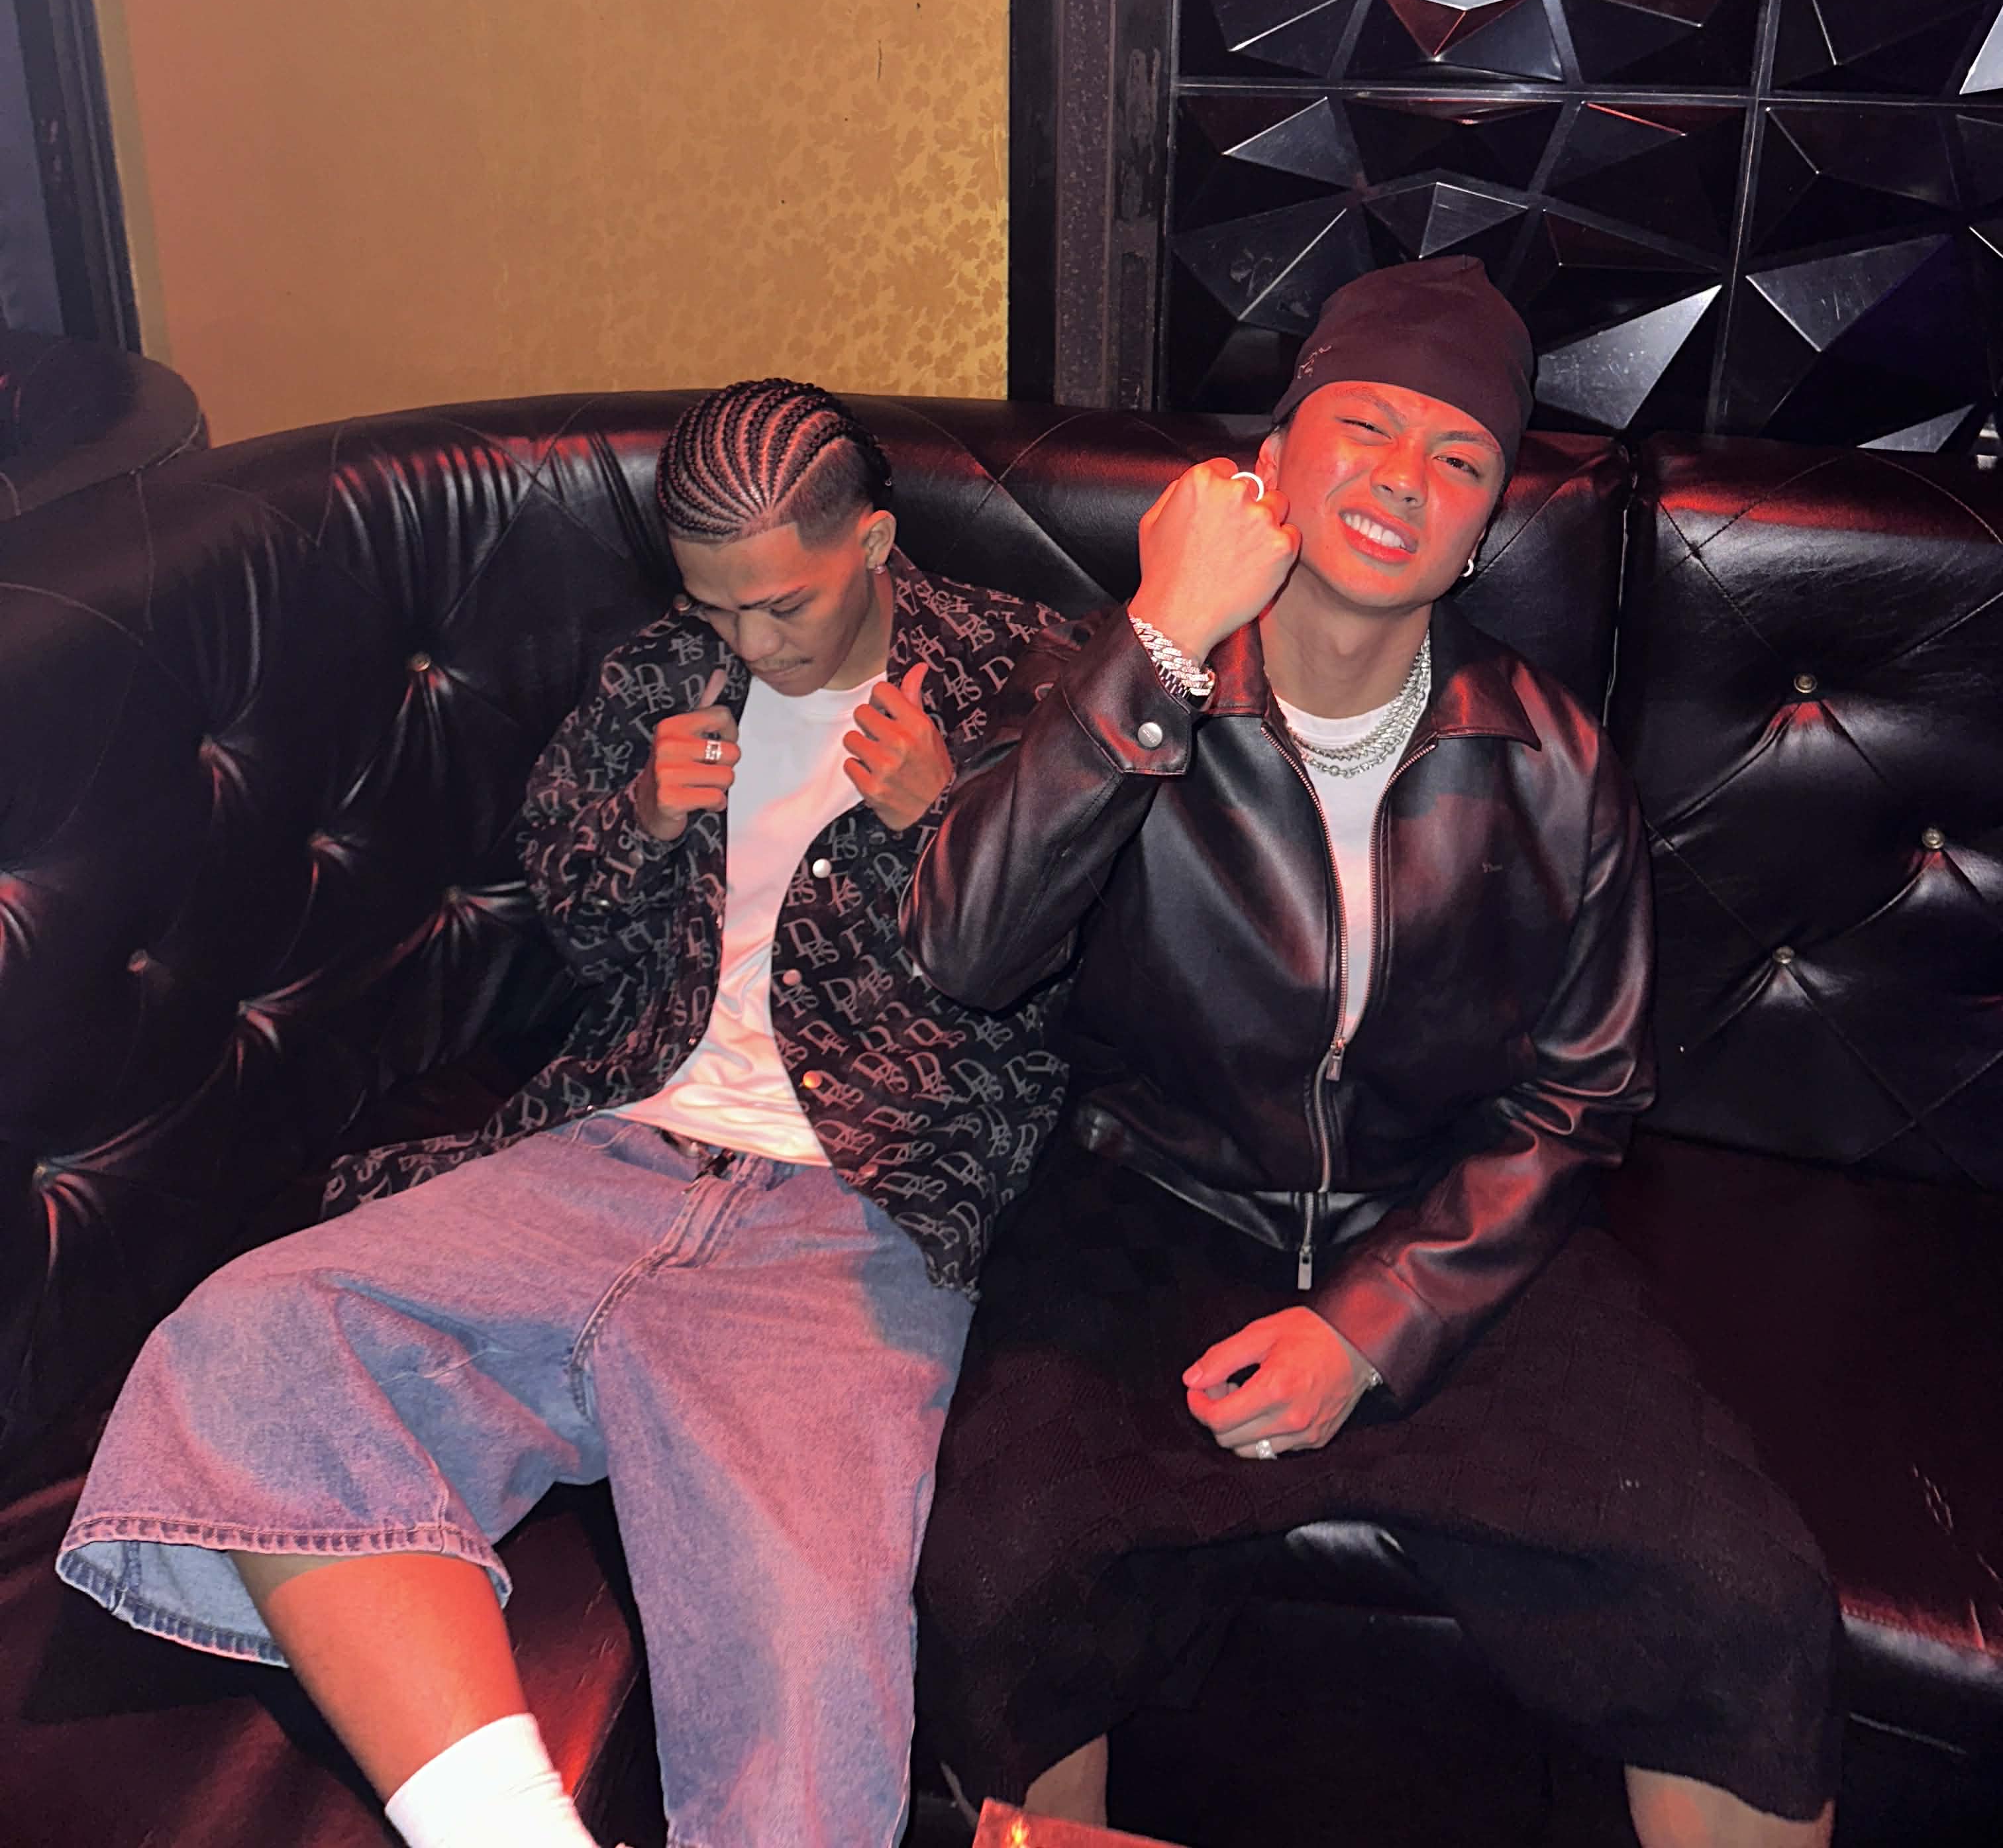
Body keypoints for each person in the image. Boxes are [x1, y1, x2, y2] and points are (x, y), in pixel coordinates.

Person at [60, 378, 1072, 1848]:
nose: (750, 645)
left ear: (872, 539)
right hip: (609, 1144)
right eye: (716, 607)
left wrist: (956, 827)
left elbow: (1072, 990)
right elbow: (579, 920)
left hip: (854, 1209)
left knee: (806, 1640)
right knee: (248, 1337)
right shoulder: (670, 671)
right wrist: (645, 823)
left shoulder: (1027, 683)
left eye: (782, 606)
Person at [907, 257, 1839, 1848]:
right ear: (1270, 462)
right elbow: (963, 954)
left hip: (1445, 1234)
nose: (1407, 477)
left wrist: (1372, 1323)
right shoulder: (1113, 687)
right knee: (1001, 1580)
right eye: (1366, 427)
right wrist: (1162, 639)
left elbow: (1577, 1098)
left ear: (1481, 531)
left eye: (1459, 457)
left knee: (1743, 1598)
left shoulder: (1553, 761)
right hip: (1149, 1217)